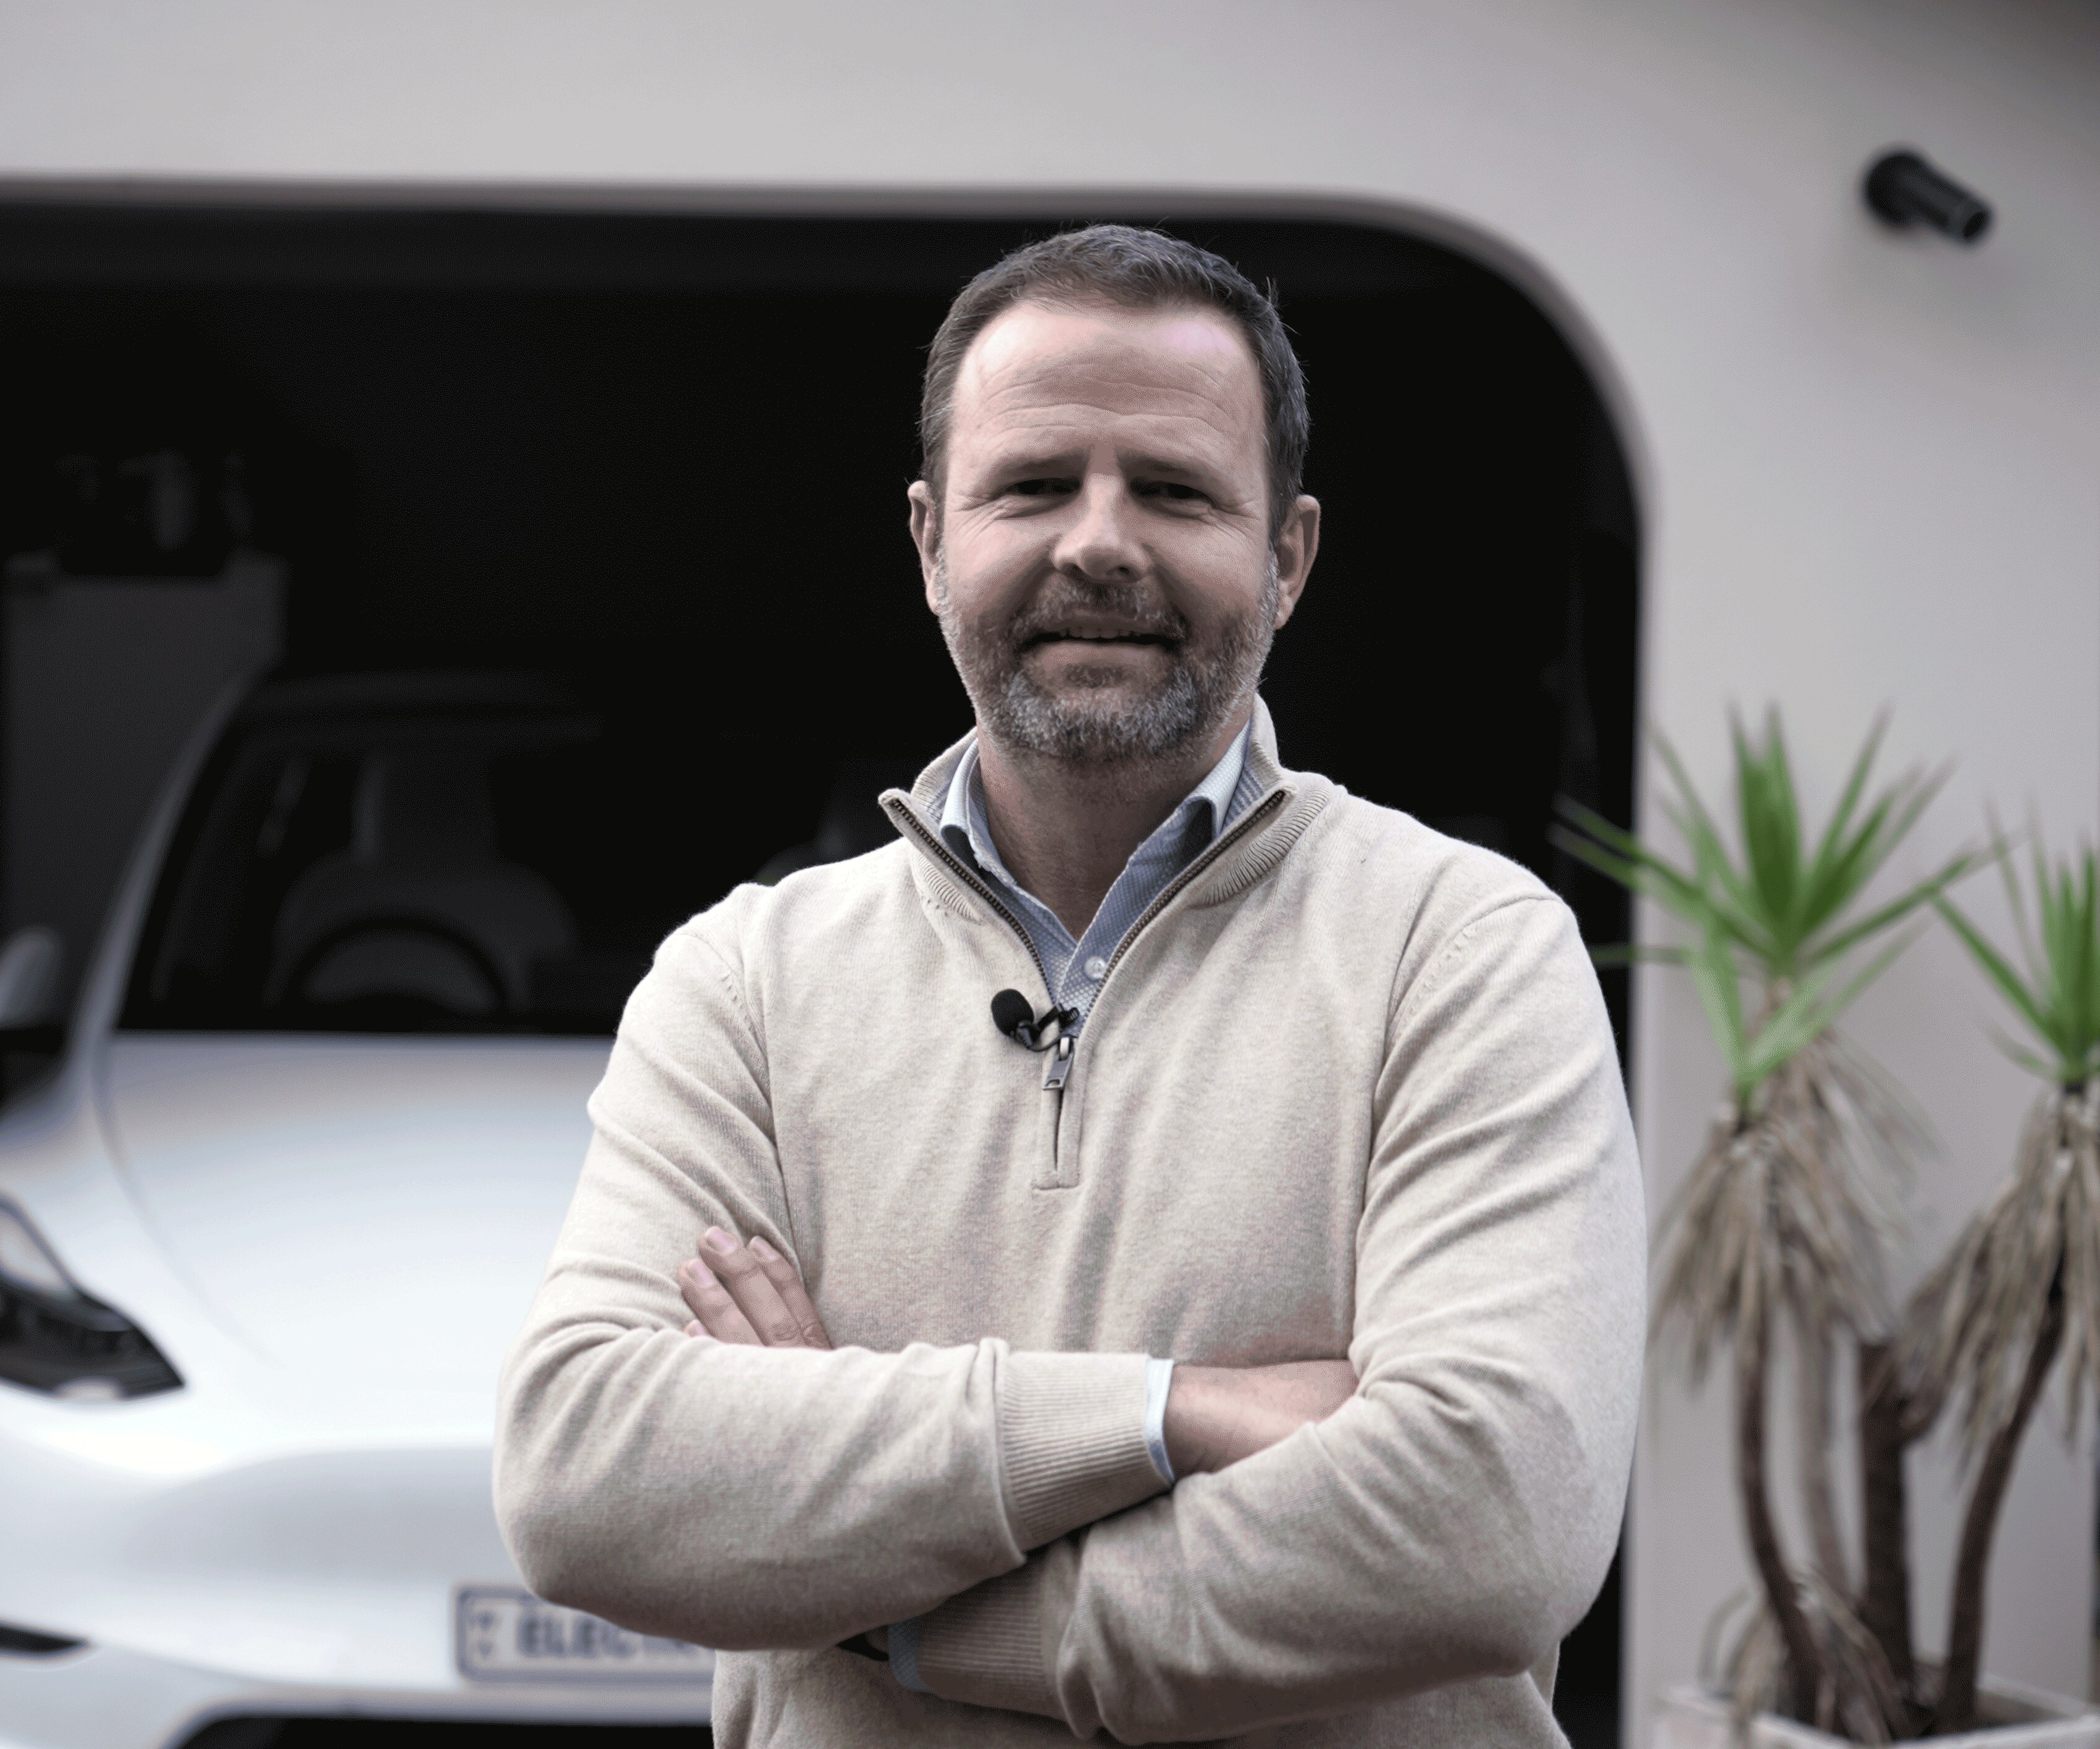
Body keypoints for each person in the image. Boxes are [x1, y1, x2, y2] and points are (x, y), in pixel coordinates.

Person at [493, 224, 1644, 1745]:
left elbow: (1490, 1525)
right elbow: (590, 1479)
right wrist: (1172, 1415)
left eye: (1170, 490)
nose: (1097, 543)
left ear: (1285, 557)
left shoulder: (1463, 950)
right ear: (926, 543)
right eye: (1032, 485)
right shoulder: (745, 986)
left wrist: (876, 1597)